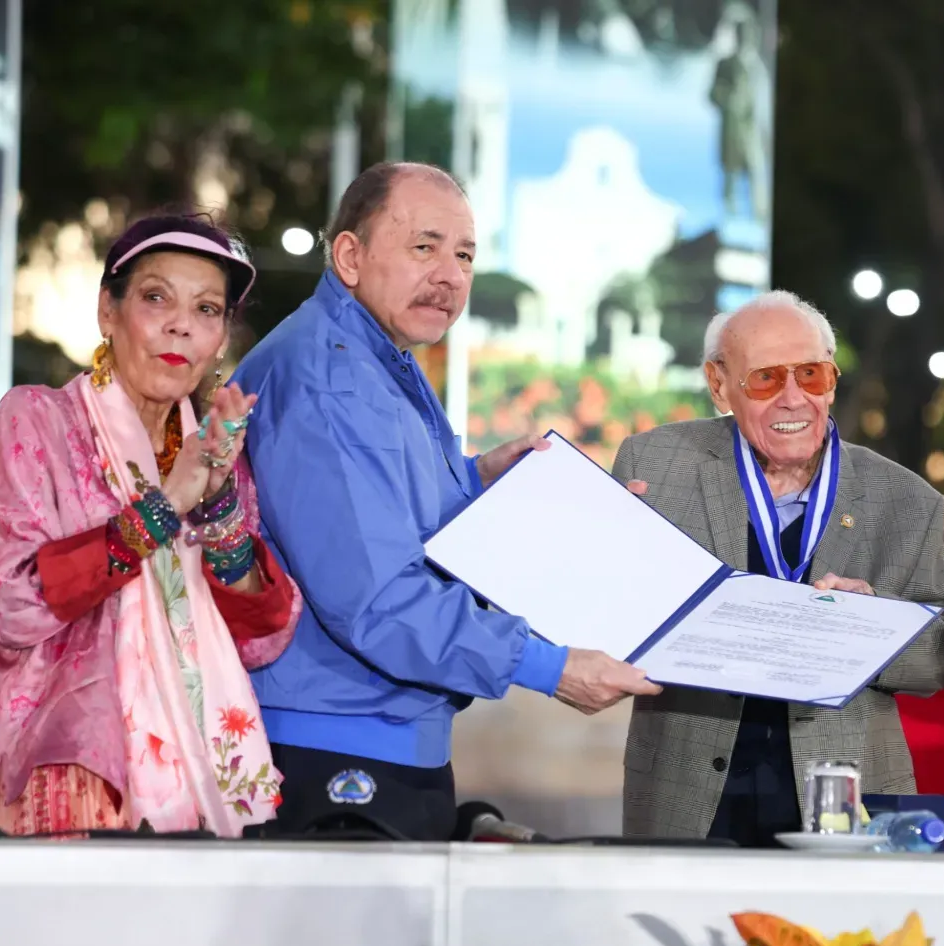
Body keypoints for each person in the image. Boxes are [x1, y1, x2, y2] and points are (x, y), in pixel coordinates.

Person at [233, 161, 660, 842]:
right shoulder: (331, 377)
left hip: (376, 732)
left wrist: (481, 483)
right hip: (339, 747)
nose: (450, 275)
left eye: (464, 255)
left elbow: (383, 511)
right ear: (350, 255)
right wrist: (550, 667)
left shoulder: (373, 356)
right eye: (424, 247)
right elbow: (376, 600)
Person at [0, 214, 302, 838]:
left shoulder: (212, 452)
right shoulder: (35, 423)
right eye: (156, 297)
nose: (181, 324)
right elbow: (14, 604)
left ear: (222, 335)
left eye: (207, 309)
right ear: (107, 311)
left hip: (204, 776)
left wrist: (220, 502)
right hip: (75, 775)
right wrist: (162, 507)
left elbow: (262, 638)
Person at [610, 291, 944, 846]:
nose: (793, 398)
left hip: (843, 795)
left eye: (811, 374)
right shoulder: (656, 467)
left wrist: (872, 623)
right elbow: (608, 604)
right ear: (718, 384)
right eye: (765, 379)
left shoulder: (904, 500)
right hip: (686, 789)